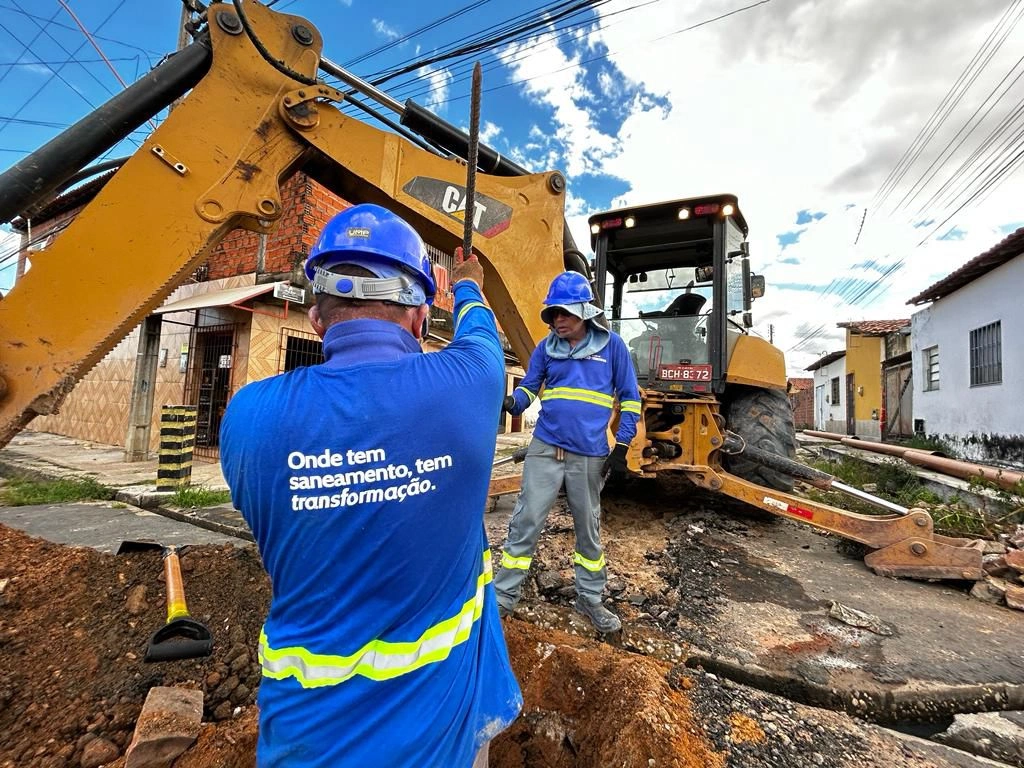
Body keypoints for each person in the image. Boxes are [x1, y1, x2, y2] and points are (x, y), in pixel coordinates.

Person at [219, 204, 521, 768]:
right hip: (438, 740)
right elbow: (479, 330)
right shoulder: (470, 382)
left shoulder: (249, 417)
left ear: (315, 318)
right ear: (419, 315)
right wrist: (470, 286)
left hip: (301, 740)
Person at [496, 270, 641, 633]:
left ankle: (589, 598)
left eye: (563, 313)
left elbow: (630, 398)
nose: (557, 320)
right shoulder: (546, 348)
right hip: (546, 446)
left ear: (584, 311)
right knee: (526, 519)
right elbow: (530, 388)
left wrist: (621, 446)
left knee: (587, 527)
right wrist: (513, 402)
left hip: (589, 454)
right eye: (552, 314)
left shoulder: (613, 348)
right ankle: (503, 597)